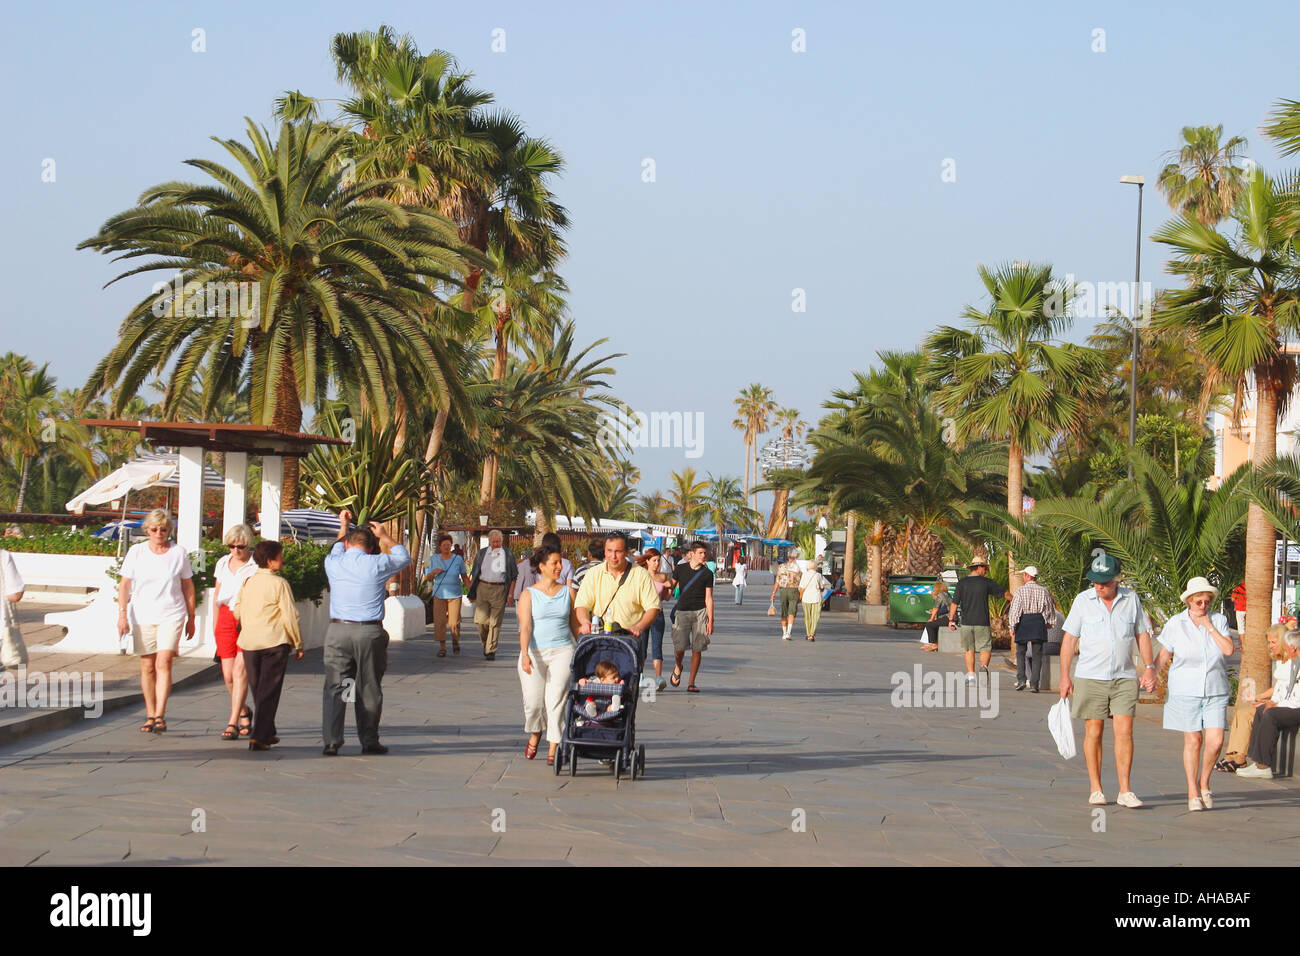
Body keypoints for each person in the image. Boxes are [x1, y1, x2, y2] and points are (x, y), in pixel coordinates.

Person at [1058, 553, 1157, 807]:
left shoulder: (1131, 599)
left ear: (1117, 579)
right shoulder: (1083, 601)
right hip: (1090, 677)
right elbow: (1069, 639)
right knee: (1094, 730)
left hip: (1124, 676)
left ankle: (1125, 790)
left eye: (1104, 582)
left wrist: (1148, 668)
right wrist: (1064, 677)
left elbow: (1142, 634)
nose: (1099, 586)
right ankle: (1096, 788)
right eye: (1095, 581)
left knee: (1125, 730)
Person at [321, 510, 410, 756]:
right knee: (368, 685)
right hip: (368, 631)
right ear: (371, 548)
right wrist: (385, 536)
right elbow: (403, 557)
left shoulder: (334, 562)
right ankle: (368, 739)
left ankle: (332, 740)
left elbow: (337, 546)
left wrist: (344, 524)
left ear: (349, 544)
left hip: (338, 630)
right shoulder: (377, 563)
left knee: (336, 685)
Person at [1153, 577, 1235, 809]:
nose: (1202, 605)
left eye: (1206, 601)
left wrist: (1209, 626)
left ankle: (1204, 782)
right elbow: (1164, 654)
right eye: (1198, 601)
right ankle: (1192, 790)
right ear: (1189, 601)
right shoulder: (1176, 623)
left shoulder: (1218, 620)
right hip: (1185, 689)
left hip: (1215, 689)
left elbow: (1228, 649)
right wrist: (1151, 674)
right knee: (1194, 740)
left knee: (1216, 741)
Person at [116, 509, 196, 735]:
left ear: (169, 530)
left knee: (164, 661)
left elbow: (188, 586)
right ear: (147, 530)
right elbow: (124, 585)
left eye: (163, 529)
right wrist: (122, 614)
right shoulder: (136, 552)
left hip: (172, 613)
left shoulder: (178, 553)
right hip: (142, 615)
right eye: (154, 529)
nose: (158, 533)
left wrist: (191, 617)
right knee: (147, 665)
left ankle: (160, 714)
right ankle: (150, 713)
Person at [232, 540, 303, 751]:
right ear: (271, 561)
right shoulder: (279, 584)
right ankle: (259, 736)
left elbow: (238, 609)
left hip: (250, 643)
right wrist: (297, 642)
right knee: (269, 691)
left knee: (259, 689)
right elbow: (290, 614)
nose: (283, 560)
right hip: (274, 641)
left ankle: (267, 731)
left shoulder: (248, 582)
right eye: (280, 557)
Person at [516, 543, 577, 765]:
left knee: (556, 698)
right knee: (533, 703)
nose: (560, 566)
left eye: (561, 562)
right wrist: (524, 654)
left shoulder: (569, 592)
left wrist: (583, 649)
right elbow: (525, 627)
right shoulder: (528, 594)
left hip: (563, 650)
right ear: (542, 566)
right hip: (534, 652)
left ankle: (554, 745)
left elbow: (575, 626)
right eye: (555, 563)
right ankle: (536, 732)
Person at [1218, 623, 1290, 771]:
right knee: (1242, 711)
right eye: (1269, 642)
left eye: (1273, 642)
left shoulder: (1292, 661)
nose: (1270, 646)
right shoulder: (1281, 660)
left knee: (1247, 714)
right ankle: (1231, 755)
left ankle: (1240, 757)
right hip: (1275, 699)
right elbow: (1277, 686)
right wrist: (1259, 697)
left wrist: (1270, 701)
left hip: (1284, 704)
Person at [574, 531, 661, 650]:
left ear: (626, 552)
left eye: (618, 551)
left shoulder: (641, 574)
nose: (613, 556)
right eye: (609, 551)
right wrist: (585, 622)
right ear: (604, 551)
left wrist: (639, 627)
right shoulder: (593, 573)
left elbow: (653, 607)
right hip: (599, 639)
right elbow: (582, 604)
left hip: (628, 641)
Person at [213, 524, 258, 740]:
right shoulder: (223, 562)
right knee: (228, 675)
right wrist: (215, 626)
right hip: (224, 617)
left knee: (240, 671)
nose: (236, 550)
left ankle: (232, 723)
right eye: (231, 546)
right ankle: (243, 711)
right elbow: (217, 595)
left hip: (246, 618)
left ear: (247, 544)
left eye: (240, 546)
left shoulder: (255, 565)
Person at [1236, 629, 1300, 780]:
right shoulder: (1295, 663)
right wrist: (1272, 702)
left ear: (1292, 648)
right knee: (1262, 710)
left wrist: (1277, 704)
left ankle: (1264, 766)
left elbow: (1297, 699)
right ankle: (1257, 762)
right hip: (1292, 704)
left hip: (1297, 708)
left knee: (1271, 714)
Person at [948, 558, 1010, 686]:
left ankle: (971, 676)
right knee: (985, 647)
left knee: (968, 649)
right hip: (982, 622)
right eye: (985, 568)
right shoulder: (986, 582)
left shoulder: (962, 583)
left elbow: (954, 603)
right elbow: (1005, 594)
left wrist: (951, 620)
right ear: (979, 567)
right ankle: (984, 667)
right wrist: (1015, 600)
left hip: (966, 622)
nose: (986, 571)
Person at [669, 541, 714, 691]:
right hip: (682, 611)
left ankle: (691, 682)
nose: (703, 555)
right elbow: (671, 585)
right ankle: (678, 666)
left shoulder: (707, 574)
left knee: (698, 648)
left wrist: (711, 620)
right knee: (679, 647)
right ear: (692, 554)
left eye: (704, 553)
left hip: (700, 612)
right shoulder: (680, 569)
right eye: (700, 553)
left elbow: (709, 598)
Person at [467, 529, 517, 661]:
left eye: (498, 541)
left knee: (495, 622)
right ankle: (486, 643)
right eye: (494, 541)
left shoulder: (508, 554)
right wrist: (471, 591)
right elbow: (475, 573)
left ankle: (491, 650)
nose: (496, 544)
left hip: (499, 590)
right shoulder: (482, 554)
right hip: (482, 588)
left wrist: (510, 594)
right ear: (489, 541)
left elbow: (513, 576)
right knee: (480, 621)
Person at [1008, 565, 1057, 692]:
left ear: (1027, 576)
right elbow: (1050, 608)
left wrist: (1012, 626)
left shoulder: (1020, 591)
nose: (1023, 577)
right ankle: (1035, 684)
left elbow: (1015, 610)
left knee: (1020, 652)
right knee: (1037, 654)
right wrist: (1050, 622)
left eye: (1024, 574)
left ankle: (1021, 680)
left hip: (1024, 621)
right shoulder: (1044, 591)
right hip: (1038, 621)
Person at [424, 534, 470, 657]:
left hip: (455, 594)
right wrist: (434, 572)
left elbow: (464, 577)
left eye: (448, 545)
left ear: (451, 546)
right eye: (444, 545)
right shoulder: (434, 559)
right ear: (440, 547)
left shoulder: (457, 559)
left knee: (454, 622)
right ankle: (442, 647)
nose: (446, 547)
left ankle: (455, 640)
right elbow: (428, 578)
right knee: (439, 622)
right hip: (439, 594)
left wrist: (471, 591)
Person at [640, 548, 672, 691]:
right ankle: (639, 675)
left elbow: (666, 597)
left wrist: (670, 588)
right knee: (641, 646)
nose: (656, 563)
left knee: (657, 645)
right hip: (642, 614)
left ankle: (658, 677)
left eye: (658, 560)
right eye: (654, 561)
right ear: (647, 561)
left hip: (658, 613)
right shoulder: (640, 576)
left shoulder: (662, 577)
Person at [513, 532, 574, 598]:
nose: (560, 567)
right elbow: (569, 585)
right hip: (560, 597)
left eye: (560, 563)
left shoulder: (537, 561)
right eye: (554, 563)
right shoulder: (567, 564)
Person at [769, 552, 803, 641]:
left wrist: (773, 593)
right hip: (794, 590)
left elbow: (777, 581)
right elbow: (801, 582)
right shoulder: (798, 568)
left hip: (783, 590)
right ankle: (788, 632)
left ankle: (784, 633)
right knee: (792, 612)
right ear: (795, 558)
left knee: (784, 611)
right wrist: (801, 594)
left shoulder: (781, 567)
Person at [798, 560, 828, 641]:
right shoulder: (818, 575)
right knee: (815, 617)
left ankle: (808, 633)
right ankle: (812, 634)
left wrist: (800, 597)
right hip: (816, 598)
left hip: (806, 598)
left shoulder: (804, 575)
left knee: (807, 617)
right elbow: (822, 587)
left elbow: (801, 587)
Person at [921, 580, 950, 652]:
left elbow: (936, 608)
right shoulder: (947, 594)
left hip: (947, 617)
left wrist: (931, 618)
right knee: (935, 624)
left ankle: (934, 644)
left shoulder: (940, 595)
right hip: (949, 617)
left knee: (930, 625)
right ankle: (934, 643)